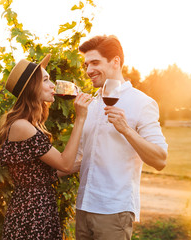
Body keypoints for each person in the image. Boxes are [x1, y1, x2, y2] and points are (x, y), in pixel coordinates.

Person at [75, 35, 169, 240]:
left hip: (114, 212)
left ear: (115, 61)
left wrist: (126, 130)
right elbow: (81, 158)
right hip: (83, 207)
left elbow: (160, 159)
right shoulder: (90, 104)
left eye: (95, 62)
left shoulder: (142, 103)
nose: (88, 70)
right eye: (86, 64)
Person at [0, 54, 92, 239]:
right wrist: (80, 118)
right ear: (32, 88)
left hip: (40, 209)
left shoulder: (32, 125)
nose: (53, 85)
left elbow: (44, 175)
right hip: (31, 215)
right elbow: (63, 164)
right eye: (46, 80)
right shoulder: (22, 126)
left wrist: (85, 161)